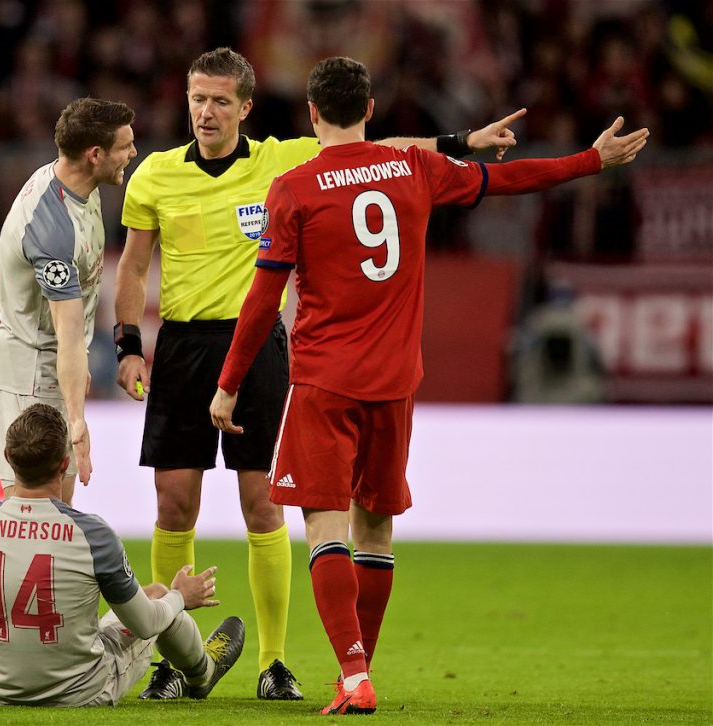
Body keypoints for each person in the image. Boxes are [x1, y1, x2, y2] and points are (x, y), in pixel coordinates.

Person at [209, 56, 648, 715]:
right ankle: (360, 672)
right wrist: (590, 160)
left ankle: (353, 672)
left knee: (324, 528)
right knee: (376, 532)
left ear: (310, 113)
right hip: (394, 385)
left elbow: (261, 301)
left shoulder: (294, 189)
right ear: (371, 110)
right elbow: (509, 180)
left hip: (325, 381)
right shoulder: (413, 169)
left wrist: (228, 385)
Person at [113, 46, 526, 700]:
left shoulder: (282, 159)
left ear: (245, 108)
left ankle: (271, 664)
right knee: (174, 502)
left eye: (221, 100)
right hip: (184, 349)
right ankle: (172, 655)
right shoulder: (154, 176)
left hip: (259, 348)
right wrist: (129, 343)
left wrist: (458, 141)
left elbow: (374, 145)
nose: (207, 111)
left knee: (261, 505)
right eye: (198, 98)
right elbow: (134, 268)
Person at [0, 403, 246, 707]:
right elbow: (147, 623)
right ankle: (202, 671)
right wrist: (180, 596)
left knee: (146, 599)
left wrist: (7, 613)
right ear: (65, 463)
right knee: (159, 596)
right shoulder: (93, 536)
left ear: (7, 457)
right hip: (81, 690)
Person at [0, 97, 137, 504]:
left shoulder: (79, 186)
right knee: (34, 517)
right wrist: (77, 421)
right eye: (124, 147)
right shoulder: (53, 230)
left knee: (54, 518)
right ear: (95, 154)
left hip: (50, 363)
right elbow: (67, 333)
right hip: (29, 372)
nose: (132, 154)